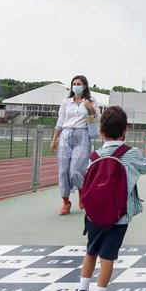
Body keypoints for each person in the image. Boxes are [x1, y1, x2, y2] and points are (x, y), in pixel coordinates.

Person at [69, 106, 146, 291]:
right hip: (119, 215)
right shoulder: (130, 153)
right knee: (108, 256)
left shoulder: (95, 155)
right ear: (125, 130)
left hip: (94, 215)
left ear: (101, 131)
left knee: (91, 251)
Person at [51, 75, 99, 215]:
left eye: (78, 84)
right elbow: (60, 123)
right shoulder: (66, 103)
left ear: (84, 86)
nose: (76, 86)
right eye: (74, 84)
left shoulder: (90, 101)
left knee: (75, 170)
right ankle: (65, 202)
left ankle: (82, 191)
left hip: (82, 135)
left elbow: (97, 117)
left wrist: (91, 108)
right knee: (63, 170)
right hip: (66, 136)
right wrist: (54, 140)